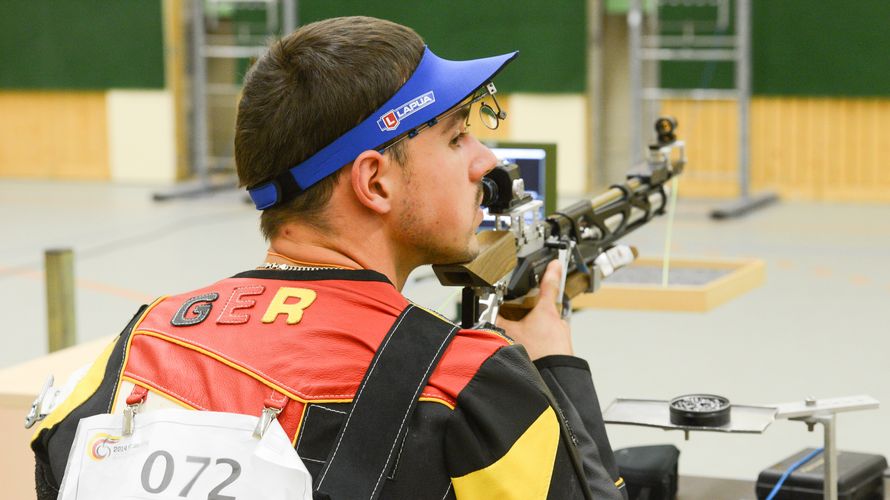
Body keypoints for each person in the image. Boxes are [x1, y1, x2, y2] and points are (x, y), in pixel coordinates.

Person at [31, 16, 626, 499]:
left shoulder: (145, 340)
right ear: (375, 182)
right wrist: (553, 367)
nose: (487, 161)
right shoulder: (467, 382)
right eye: (454, 137)